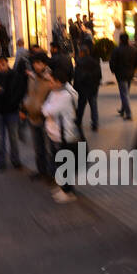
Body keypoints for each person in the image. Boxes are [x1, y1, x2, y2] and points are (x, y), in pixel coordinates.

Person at [44, 62, 80, 203]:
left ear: (59, 82)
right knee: (61, 163)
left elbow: (48, 110)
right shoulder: (57, 92)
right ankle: (64, 188)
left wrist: (47, 109)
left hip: (65, 135)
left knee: (65, 164)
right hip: (57, 134)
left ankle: (68, 192)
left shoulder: (65, 95)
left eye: (52, 82)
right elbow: (46, 106)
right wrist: (47, 108)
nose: (50, 84)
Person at [20, 49, 58, 180]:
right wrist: (24, 108)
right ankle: (41, 171)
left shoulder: (51, 79)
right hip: (32, 117)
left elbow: (55, 98)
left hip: (45, 119)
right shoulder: (32, 77)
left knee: (49, 149)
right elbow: (30, 95)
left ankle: (51, 174)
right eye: (35, 63)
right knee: (38, 148)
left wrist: (45, 112)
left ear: (45, 64)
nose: (37, 66)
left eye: (40, 63)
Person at [0, 50, 24, 171]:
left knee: (13, 138)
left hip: (11, 112)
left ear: (7, 63)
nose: (0, 67)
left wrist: (2, 93)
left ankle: (15, 160)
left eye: (2, 64)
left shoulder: (15, 76)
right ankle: (1, 162)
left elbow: (18, 94)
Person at [73, 40, 101, 133]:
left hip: (83, 89)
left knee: (81, 106)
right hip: (93, 88)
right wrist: (96, 85)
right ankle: (95, 124)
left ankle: (78, 121)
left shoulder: (79, 63)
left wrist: (75, 88)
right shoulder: (94, 62)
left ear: (81, 53)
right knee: (93, 106)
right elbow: (99, 76)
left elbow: (77, 77)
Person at [109, 32, 137, 120]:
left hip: (121, 75)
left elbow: (112, 61)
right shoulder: (133, 50)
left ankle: (128, 113)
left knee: (124, 93)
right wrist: (134, 69)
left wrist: (113, 70)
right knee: (125, 92)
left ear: (121, 40)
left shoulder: (117, 50)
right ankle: (123, 109)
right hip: (130, 74)